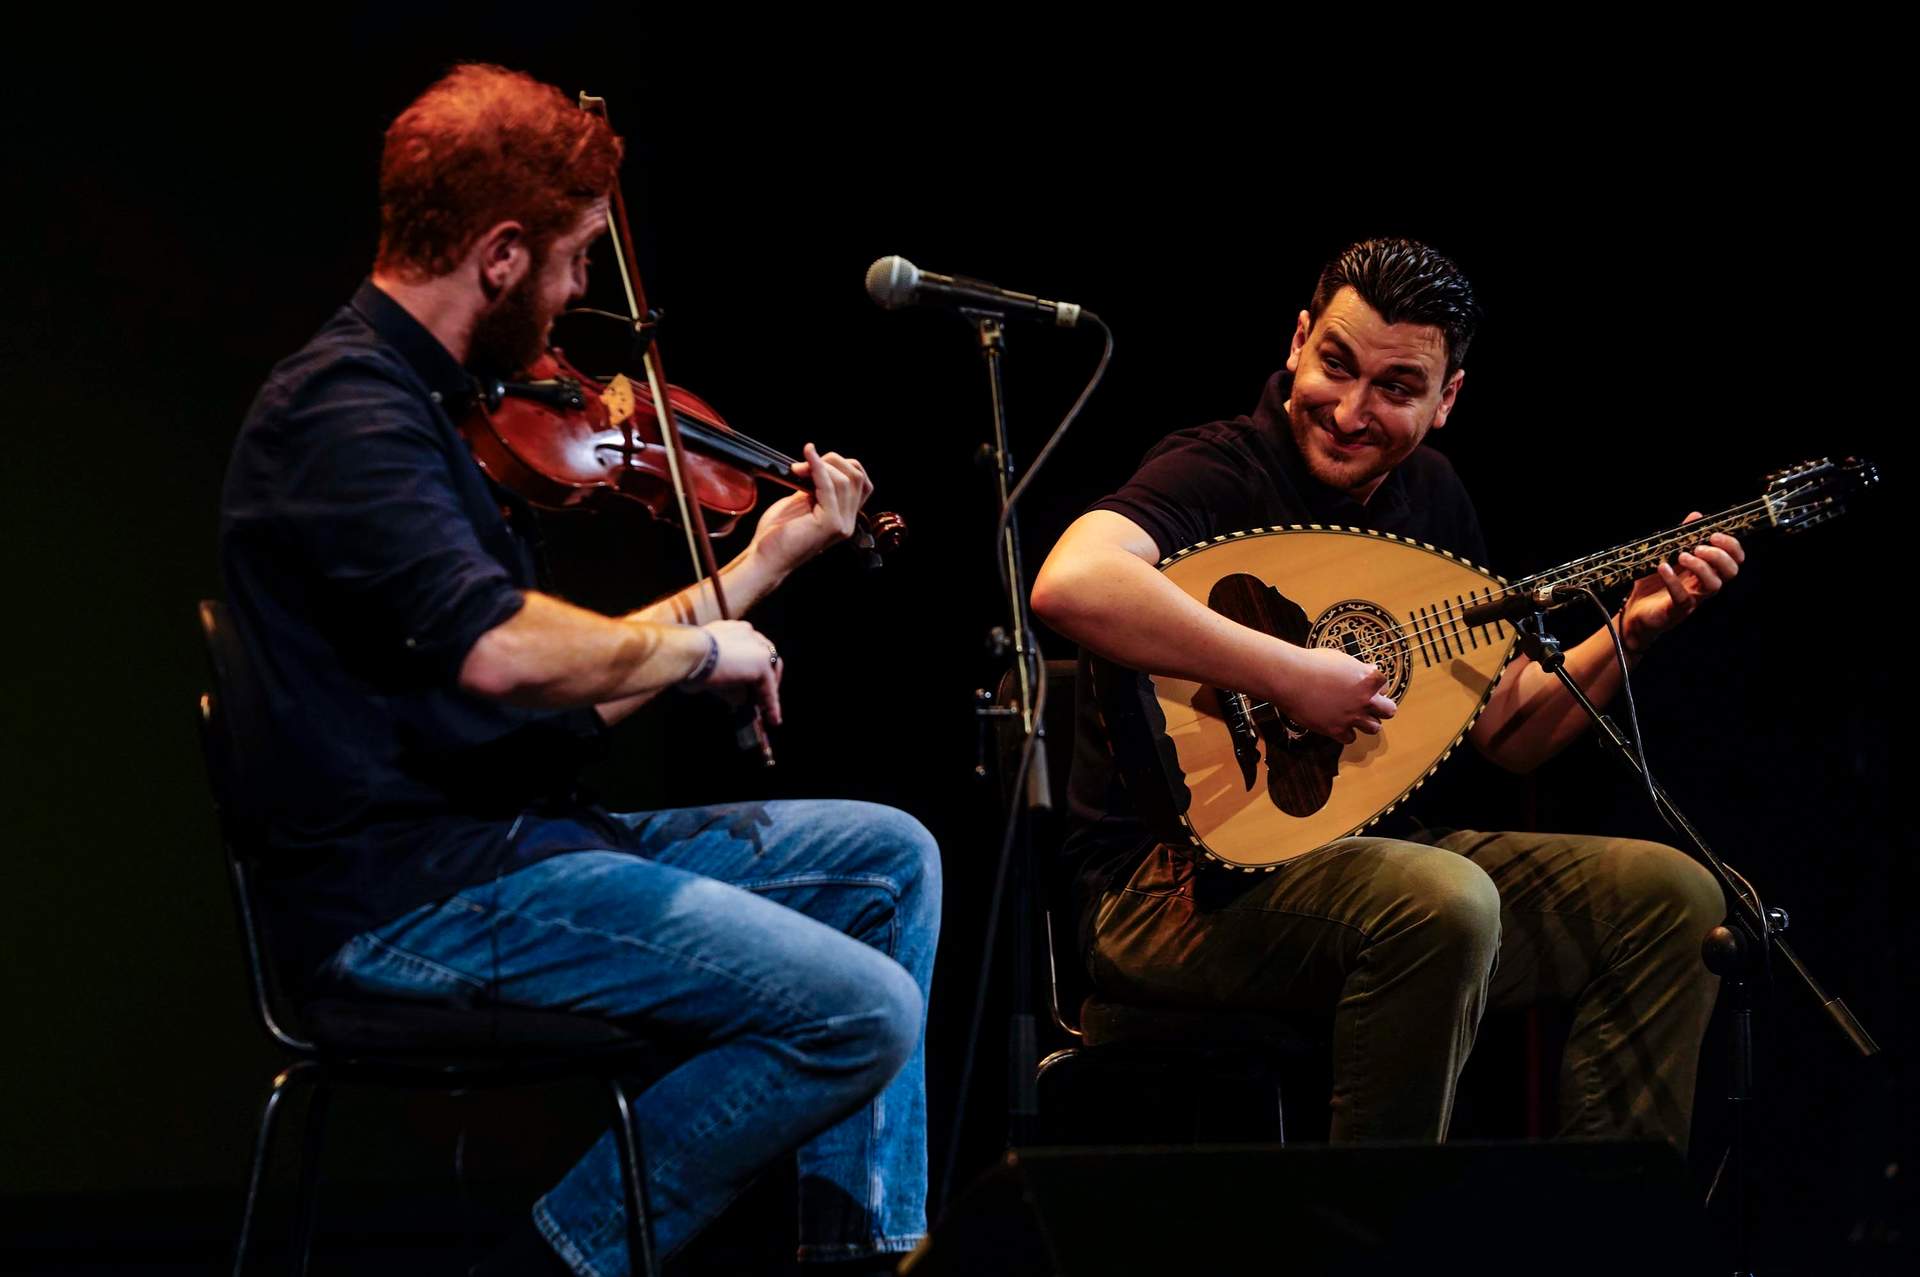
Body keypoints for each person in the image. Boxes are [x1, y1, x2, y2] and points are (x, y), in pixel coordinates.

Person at [219, 64, 937, 1275]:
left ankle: (858, 1250)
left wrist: (759, 566)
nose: (578, 295)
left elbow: (560, 674)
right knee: (862, 1010)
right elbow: (507, 650)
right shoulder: (343, 414)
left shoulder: (431, 409)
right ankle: (560, 1258)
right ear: (502, 255)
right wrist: (704, 648)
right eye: (571, 260)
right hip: (408, 901)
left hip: (516, 841)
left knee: (888, 856)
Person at [1030, 236, 1740, 1148]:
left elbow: (1507, 728)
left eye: (1396, 389)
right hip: (1167, 893)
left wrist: (1630, 636)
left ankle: (1610, 1230)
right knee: (1445, 898)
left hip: (1370, 866)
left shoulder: (1432, 502)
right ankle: (1378, 1240)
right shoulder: (1217, 469)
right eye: (1336, 364)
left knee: (1673, 896)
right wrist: (1290, 673)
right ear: (1297, 341)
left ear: (1446, 401)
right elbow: (1071, 582)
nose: (1351, 410)